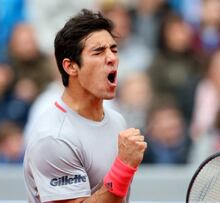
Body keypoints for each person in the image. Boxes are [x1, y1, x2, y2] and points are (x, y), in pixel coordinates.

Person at [23, 9, 147, 203]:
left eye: (113, 50)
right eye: (98, 52)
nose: (112, 58)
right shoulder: (53, 137)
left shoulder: (117, 120)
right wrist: (123, 166)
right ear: (70, 66)